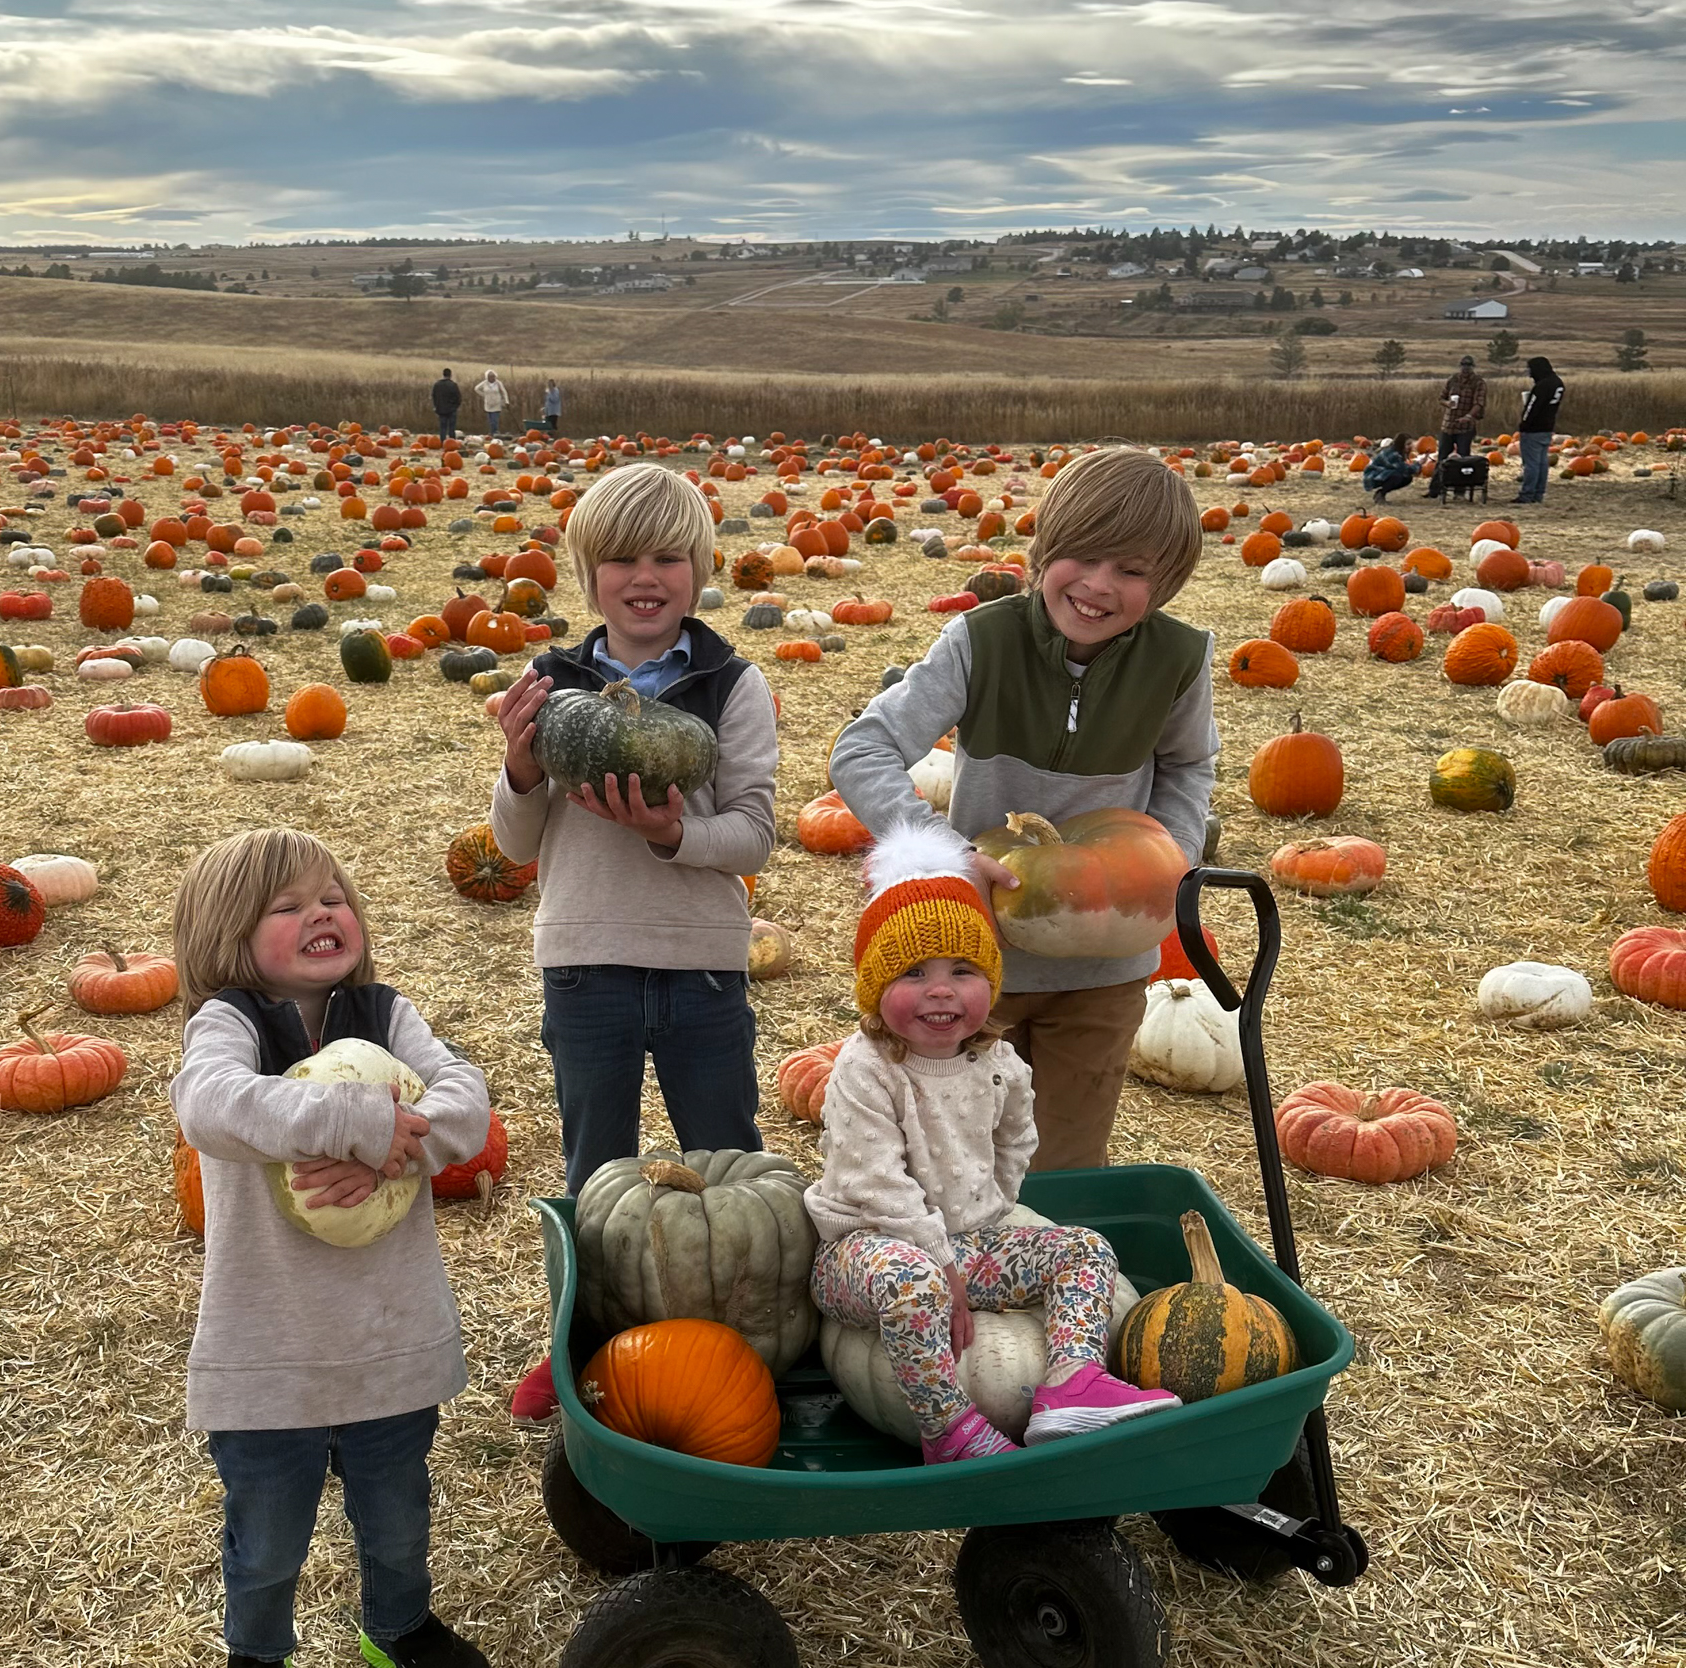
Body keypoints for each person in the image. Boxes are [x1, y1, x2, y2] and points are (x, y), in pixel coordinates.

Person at [829, 446, 1217, 1174]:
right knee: (953, 1158)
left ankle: (1045, 1277)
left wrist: (1173, 855)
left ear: (1165, 585)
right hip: (977, 965)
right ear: (1043, 551)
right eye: (1083, 558)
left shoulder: (1179, 661)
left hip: (1105, 969)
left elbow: (1189, 765)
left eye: (1132, 571)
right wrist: (943, 856)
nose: (1099, 587)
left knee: (1065, 1163)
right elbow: (863, 748)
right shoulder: (982, 641)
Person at [491, 461, 779, 1420]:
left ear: (701, 571)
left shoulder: (731, 685)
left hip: (701, 965)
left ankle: (740, 1341)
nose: (644, 577)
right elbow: (512, 845)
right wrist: (519, 771)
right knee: (595, 1173)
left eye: (667, 557)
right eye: (621, 559)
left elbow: (757, 834)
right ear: (587, 573)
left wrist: (672, 835)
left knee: (729, 1164)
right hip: (584, 963)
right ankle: (583, 1344)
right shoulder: (550, 685)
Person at [170, 828, 492, 1668]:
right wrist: (350, 1123)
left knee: (397, 1519)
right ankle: (258, 1652)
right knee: (268, 1543)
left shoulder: (385, 1012)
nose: (321, 913)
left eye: (333, 898)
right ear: (227, 934)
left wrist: (401, 1145)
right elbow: (207, 1103)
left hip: (389, 1339)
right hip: (270, 1353)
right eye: (288, 906)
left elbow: (465, 1100)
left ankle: (398, 1629)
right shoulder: (226, 1024)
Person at [805, 821, 1181, 1462]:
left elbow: (1016, 1139)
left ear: (992, 981)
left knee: (1085, 1249)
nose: (942, 989)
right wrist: (940, 1263)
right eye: (914, 972)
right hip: (866, 1250)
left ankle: (1072, 1385)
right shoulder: (866, 1066)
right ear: (875, 987)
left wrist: (995, 1206)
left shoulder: (999, 1062)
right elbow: (875, 1182)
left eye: (964, 970)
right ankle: (947, 1431)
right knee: (913, 1282)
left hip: (970, 1241)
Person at [1427, 353, 1486, 490]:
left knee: (1463, 459)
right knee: (1442, 458)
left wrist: (1469, 416)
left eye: (1468, 366)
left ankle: (1460, 489)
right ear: (1460, 366)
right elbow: (1441, 398)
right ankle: (1435, 489)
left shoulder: (1478, 383)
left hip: (1465, 426)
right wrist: (1448, 403)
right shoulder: (1453, 380)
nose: (1465, 369)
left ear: (1472, 367)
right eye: (1463, 365)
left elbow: (1479, 403)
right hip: (1448, 424)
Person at [1514, 356, 1565, 505]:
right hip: (1547, 427)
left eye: (1531, 370)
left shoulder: (1542, 386)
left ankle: (1527, 494)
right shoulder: (1557, 383)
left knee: (1531, 464)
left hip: (1533, 429)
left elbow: (1532, 407)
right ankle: (1538, 493)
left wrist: (1524, 423)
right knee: (1542, 463)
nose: (1530, 374)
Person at [1362, 435, 1418, 504]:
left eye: (1411, 444)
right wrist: (1419, 464)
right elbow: (1405, 469)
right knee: (1397, 476)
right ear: (1401, 444)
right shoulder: (1392, 454)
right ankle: (1381, 495)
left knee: (1407, 477)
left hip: (1382, 474)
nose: (1410, 446)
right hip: (1373, 475)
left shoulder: (1398, 452)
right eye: (1408, 444)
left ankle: (1381, 493)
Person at [430, 368, 461, 443]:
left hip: (441, 409)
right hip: (451, 409)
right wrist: (455, 406)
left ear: (443, 374)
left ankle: (442, 442)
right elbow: (458, 397)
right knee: (451, 428)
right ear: (450, 375)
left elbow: (434, 396)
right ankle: (452, 442)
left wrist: (436, 406)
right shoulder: (453, 385)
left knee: (442, 427)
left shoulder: (437, 385)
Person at [474, 369, 506, 436]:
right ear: (487, 377)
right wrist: (484, 395)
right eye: (490, 377)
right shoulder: (485, 383)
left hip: (497, 403)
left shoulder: (498, 383)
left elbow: (504, 392)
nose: (492, 378)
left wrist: (506, 401)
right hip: (488, 404)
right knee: (490, 420)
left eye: (493, 376)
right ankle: (491, 432)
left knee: (495, 420)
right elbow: (476, 388)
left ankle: (495, 432)